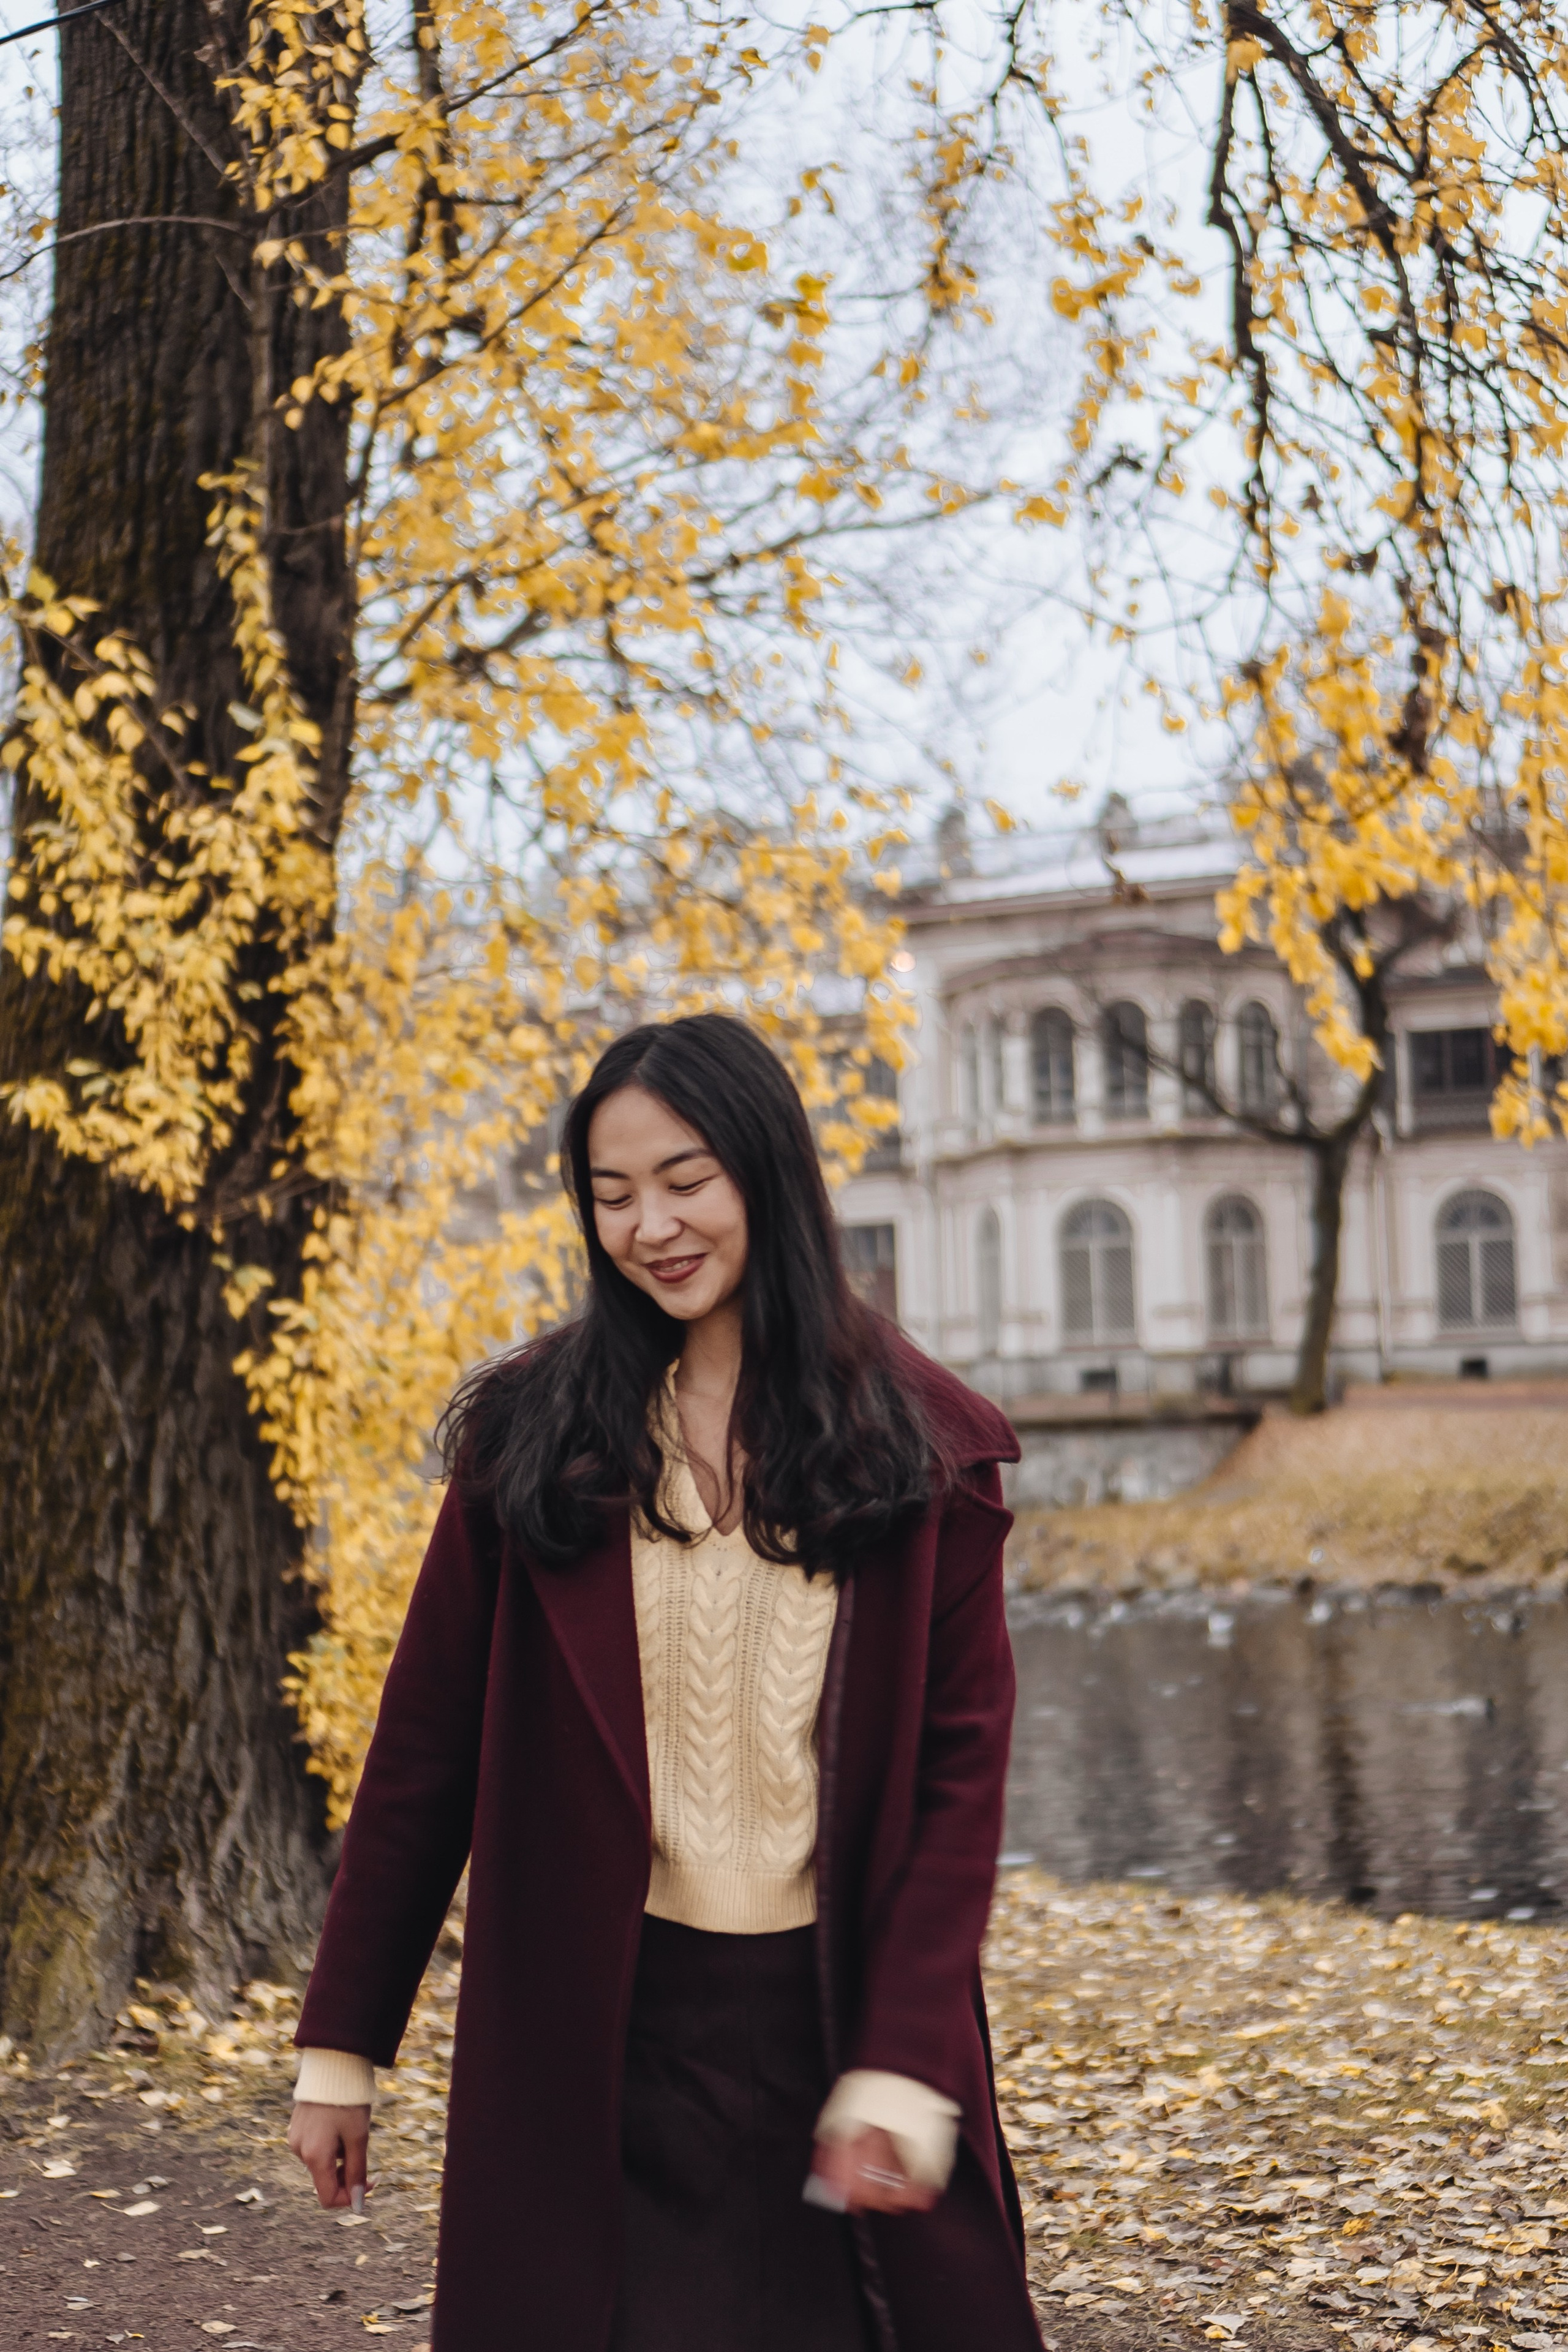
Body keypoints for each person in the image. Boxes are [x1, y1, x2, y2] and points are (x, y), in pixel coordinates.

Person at [287, 1012, 1044, 2352]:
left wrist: (904, 2056)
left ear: (767, 1172)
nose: (650, 1226)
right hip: (593, 2032)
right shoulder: (531, 1438)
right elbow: (423, 1756)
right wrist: (341, 2047)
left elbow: (955, 1782)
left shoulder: (923, 1452)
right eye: (612, 1193)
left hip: (837, 2023)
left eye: (685, 1180)